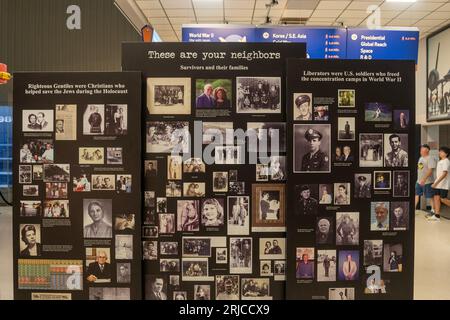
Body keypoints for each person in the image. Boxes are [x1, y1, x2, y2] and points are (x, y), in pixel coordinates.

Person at [428, 146, 450, 221]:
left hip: (443, 184)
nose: (440, 153)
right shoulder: (440, 161)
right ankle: (437, 216)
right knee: (436, 198)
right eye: (439, 151)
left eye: (442, 152)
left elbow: (444, 174)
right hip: (438, 184)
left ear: (446, 154)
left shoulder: (446, 161)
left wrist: (436, 183)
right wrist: (435, 183)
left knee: (443, 199)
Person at [415, 144, 436, 214]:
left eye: (422, 149)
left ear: (427, 150)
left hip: (428, 181)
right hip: (419, 181)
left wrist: (424, 179)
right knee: (417, 194)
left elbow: (430, 170)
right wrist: (420, 179)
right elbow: (420, 168)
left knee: (430, 196)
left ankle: (433, 211)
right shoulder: (420, 158)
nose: (420, 151)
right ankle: (413, 209)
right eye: (420, 150)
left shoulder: (430, 158)